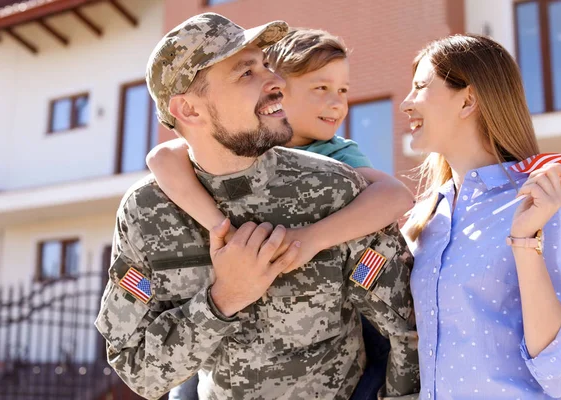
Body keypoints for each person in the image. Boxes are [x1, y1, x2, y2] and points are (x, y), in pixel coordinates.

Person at [95, 12, 419, 400]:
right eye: (246, 73)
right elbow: (139, 373)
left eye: (266, 65)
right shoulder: (145, 214)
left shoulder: (334, 191)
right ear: (190, 111)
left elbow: (409, 329)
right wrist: (225, 298)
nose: (276, 82)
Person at [400, 34, 561, 399]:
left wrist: (524, 241)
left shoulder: (545, 203)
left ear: (468, 99)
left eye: (421, 87)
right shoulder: (426, 219)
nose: (406, 104)